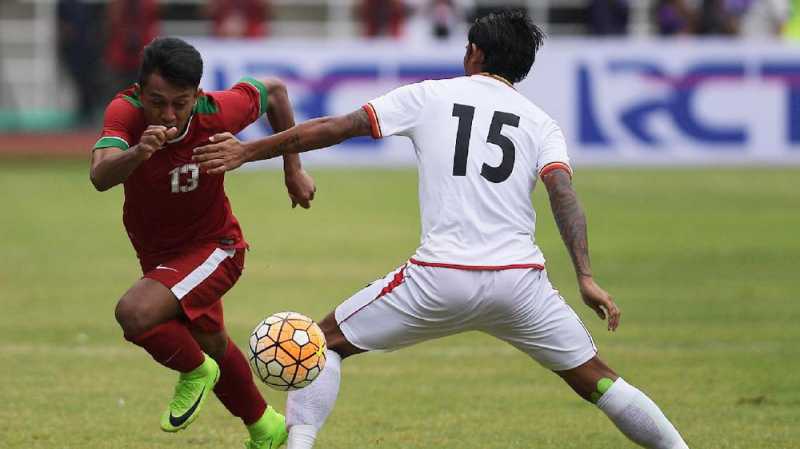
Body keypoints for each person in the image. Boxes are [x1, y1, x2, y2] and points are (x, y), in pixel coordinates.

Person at [192, 10, 691, 449]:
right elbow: (563, 194)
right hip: (520, 285)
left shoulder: (431, 95)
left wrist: (248, 151)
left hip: (439, 277)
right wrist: (584, 275)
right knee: (598, 381)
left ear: (473, 52)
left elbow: (338, 126)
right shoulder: (542, 123)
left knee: (319, 343)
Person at [90, 37, 316, 449]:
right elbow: (100, 175)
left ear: (197, 94)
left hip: (217, 247)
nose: (169, 114)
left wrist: (293, 171)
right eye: (157, 102)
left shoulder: (220, 110)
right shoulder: (125, 112)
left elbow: (277, 92)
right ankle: (266, 428)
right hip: (160, 254)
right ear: (140, 92)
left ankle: (195, 371)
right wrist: (139, 151)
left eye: (181, 102)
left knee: (135, 314)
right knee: (212, 341)